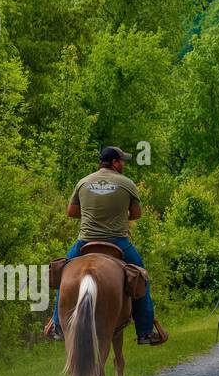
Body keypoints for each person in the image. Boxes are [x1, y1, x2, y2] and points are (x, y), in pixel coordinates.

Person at [44, 146, 167, 345]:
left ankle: (57, 325)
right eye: (123, 161)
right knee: (141, 278)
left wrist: (94, 215)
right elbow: (136, 214)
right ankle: (145, 331)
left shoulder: (83, 182)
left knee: (63, 274)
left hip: (85, 241)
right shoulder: (127, 184)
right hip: (118, 242)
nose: (124, 164)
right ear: (115, 163)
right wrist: (116, 216)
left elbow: (72, 212)